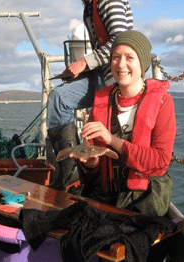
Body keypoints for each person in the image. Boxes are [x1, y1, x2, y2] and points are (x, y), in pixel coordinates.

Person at [70, 30, 176, 216]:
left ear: (142, 63)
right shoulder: (101, 100)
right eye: (116, 57)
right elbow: (95, 165)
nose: (121, 64)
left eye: (130, 57)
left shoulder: (163, 102)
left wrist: (112, 140)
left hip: (144, 199)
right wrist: (92, 163)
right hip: (107, 195)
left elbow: (160, 162)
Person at [47, 0, 134, 190]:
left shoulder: (109, 1)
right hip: (102, 73)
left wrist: (83, 64)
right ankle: (70, 174)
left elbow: (120, 42)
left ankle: (78, 175)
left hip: (117, 78)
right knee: (59, 98)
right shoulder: (90, 5)